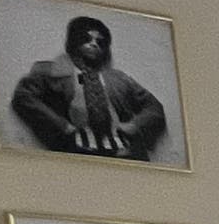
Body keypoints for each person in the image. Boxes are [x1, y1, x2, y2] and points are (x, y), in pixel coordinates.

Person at [9, 15, 170, 159]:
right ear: (74, 41)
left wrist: (135, 125)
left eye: (100, 42)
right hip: (76, 152)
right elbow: (24, 97)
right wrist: (62, 126)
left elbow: (154, 107)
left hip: (123, 152)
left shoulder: (118, 78)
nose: (93, 44)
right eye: (86, 39)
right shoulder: (50, 70)